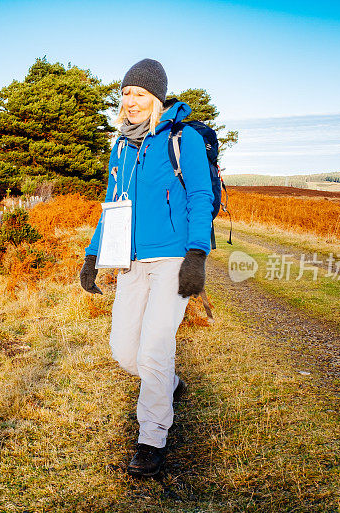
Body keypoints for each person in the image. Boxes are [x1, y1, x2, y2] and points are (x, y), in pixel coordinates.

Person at [79, 58, 213, 477]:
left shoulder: (181, 138)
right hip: (130, 262)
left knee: (154, 349)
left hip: (173, 258)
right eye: (125, 94)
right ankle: (169, 386)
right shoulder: (120, 146)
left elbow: (200, 198)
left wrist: (196, 254)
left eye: (138, 93)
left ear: (156, 97)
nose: (130, 101)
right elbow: (111, 208)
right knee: (123, 350)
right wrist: (91, 254)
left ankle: (151, 439)